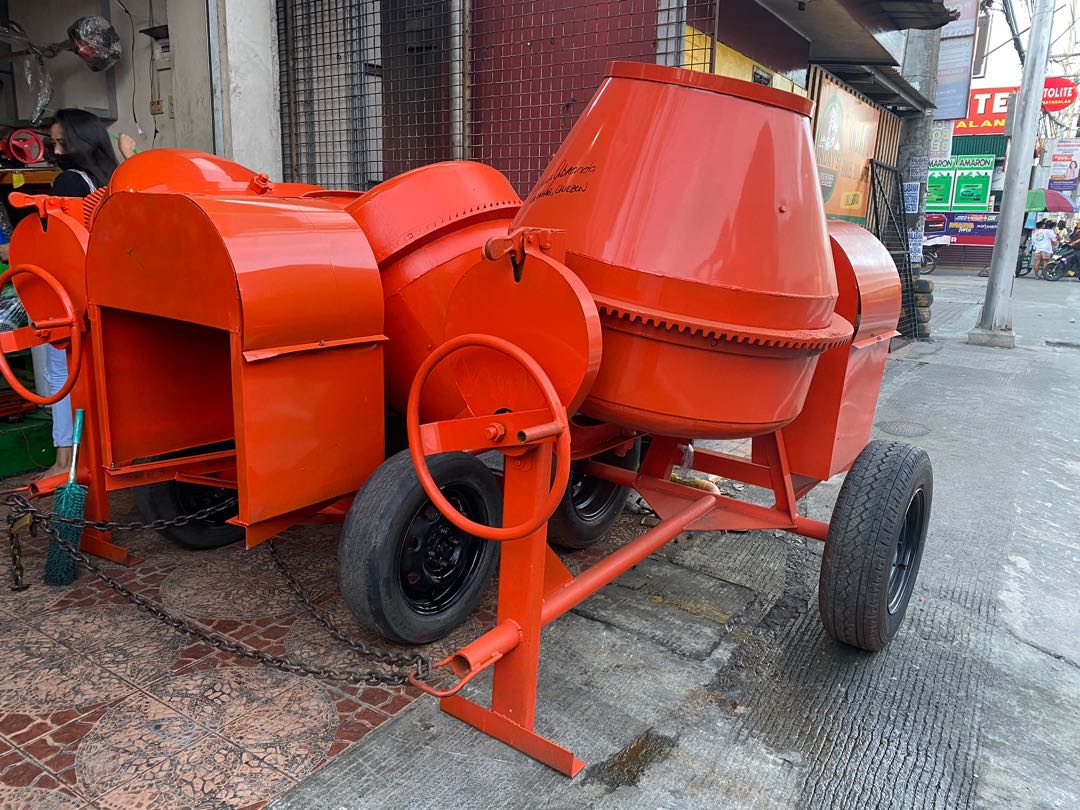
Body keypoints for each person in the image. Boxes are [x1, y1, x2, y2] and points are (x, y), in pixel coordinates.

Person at [35, 109, 135, 478]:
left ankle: (65, 461)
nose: (58, 152)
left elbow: (55, 241)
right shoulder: (110, 179)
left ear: (81, 143)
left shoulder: (69, 183)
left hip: (70, 293)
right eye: (55, 143)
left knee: (62, 372)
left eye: (63, 143)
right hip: (106, 291)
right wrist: (129, 155)